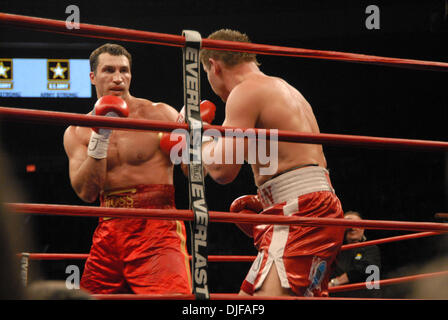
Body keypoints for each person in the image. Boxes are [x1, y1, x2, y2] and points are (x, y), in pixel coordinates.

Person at [199, 29, 345, 297]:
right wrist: (267, 199)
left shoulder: (244, 92)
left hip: (300, 214)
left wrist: (200, 136)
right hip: (308, 208)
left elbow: (222, 170)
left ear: (213, 65)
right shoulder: (284, 88)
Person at [63, 43, 211, 294]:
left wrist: (197, 141)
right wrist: (101, 136)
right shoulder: (77, 131)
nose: (118, 78)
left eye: (124, 70)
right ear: (92, 77)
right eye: (109, 70)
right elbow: (86, 193)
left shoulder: (160, 115)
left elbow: (195, 174)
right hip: (108, 230)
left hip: (157, 227)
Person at [328, 211, 382, 298]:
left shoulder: (370, 248)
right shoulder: (334, 251)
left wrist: (335, 282)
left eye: (356, 224)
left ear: (363, 228)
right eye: (348, 224)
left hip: (364, 297)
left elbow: (367, 269)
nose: (352, 228)